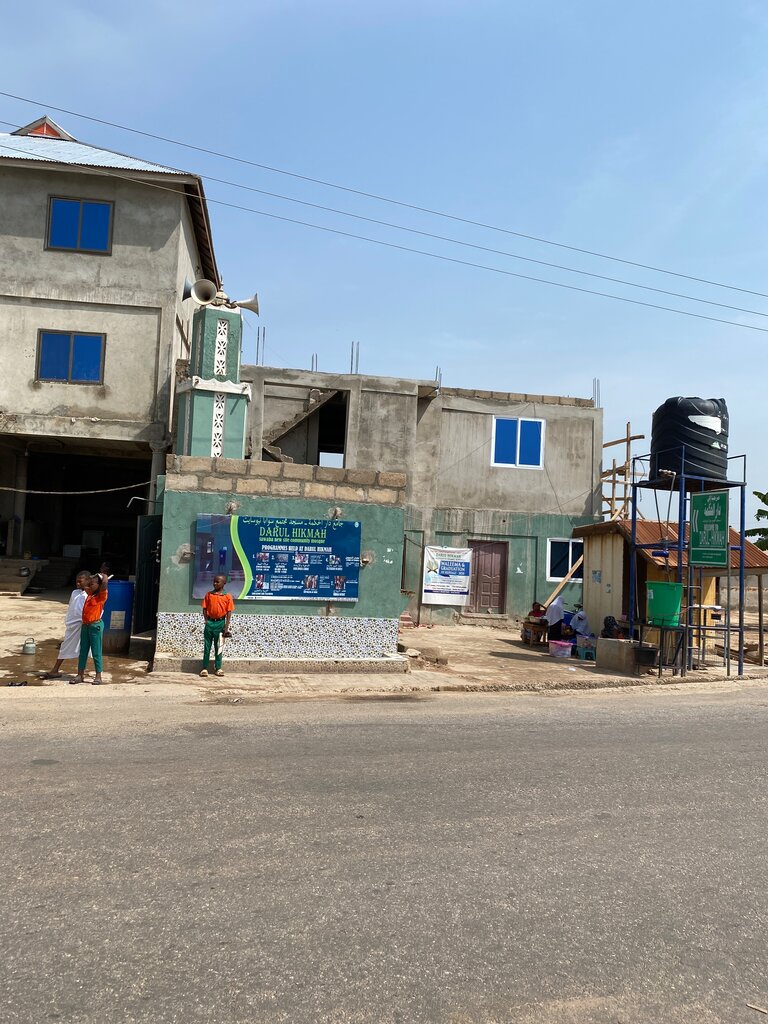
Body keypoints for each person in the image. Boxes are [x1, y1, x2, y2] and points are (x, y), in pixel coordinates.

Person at [42, 570, 91, 679]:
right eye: (76, 582)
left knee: (85, 649)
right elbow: (71, 608)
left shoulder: (90, 595)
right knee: (66, 646)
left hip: (84, 624)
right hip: (72, 625)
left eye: (80, 582)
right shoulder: (75, 593)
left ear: (88, 581)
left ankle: (82, 673)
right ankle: (56, 670)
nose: (78, 584)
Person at [72, 570, 109, 685]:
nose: (89, 585)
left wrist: (104, 578)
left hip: (95, 626)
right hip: (86, 626)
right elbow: (85, 585)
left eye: (93, 584)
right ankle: (80, 674)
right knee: (82, 651)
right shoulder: (89, 594)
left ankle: (98, 676)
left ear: (99, 585)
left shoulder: (101, 596)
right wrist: (91, 580)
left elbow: (104, 586)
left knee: (96, 651)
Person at [201, 574, 233, 678]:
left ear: (224, 583)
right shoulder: (209, 595)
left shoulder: (227, 596)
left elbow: (229, 612)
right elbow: (204, 608)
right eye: (214, 581)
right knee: (207, 646)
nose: (215, 583)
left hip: (220, 624)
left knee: (219, 647)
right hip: (210, 623)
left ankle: (218, 668)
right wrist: (206, 621)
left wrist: (226, 627)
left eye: (217, 582)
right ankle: (204, 668)